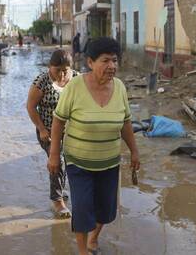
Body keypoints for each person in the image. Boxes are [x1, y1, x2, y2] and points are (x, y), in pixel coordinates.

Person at [48, 37, 141, 255]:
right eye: (106, 60)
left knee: (106, 210)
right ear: (90, 62)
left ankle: (94, 239)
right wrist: (54, 155)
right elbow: (58, 120)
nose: (112, 66)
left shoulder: (119, 88)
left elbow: (126, 122)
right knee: (82, 207)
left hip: (109, 162)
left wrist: (134, 151)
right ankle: (83, 251)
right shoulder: (75, 87)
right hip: (78, 162)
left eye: (115, 61)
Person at [27, 49, 78, 218]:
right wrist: (41, 129)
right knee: (58, 161)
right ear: (50, 67)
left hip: (72, 132)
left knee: (71, 163)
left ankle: (62, 190)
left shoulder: (77, 80)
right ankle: (57, 200)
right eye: (58, 71)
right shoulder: (41, 82)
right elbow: (30, 107)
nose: (62, 75)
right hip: (48, 131)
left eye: (65, 70)